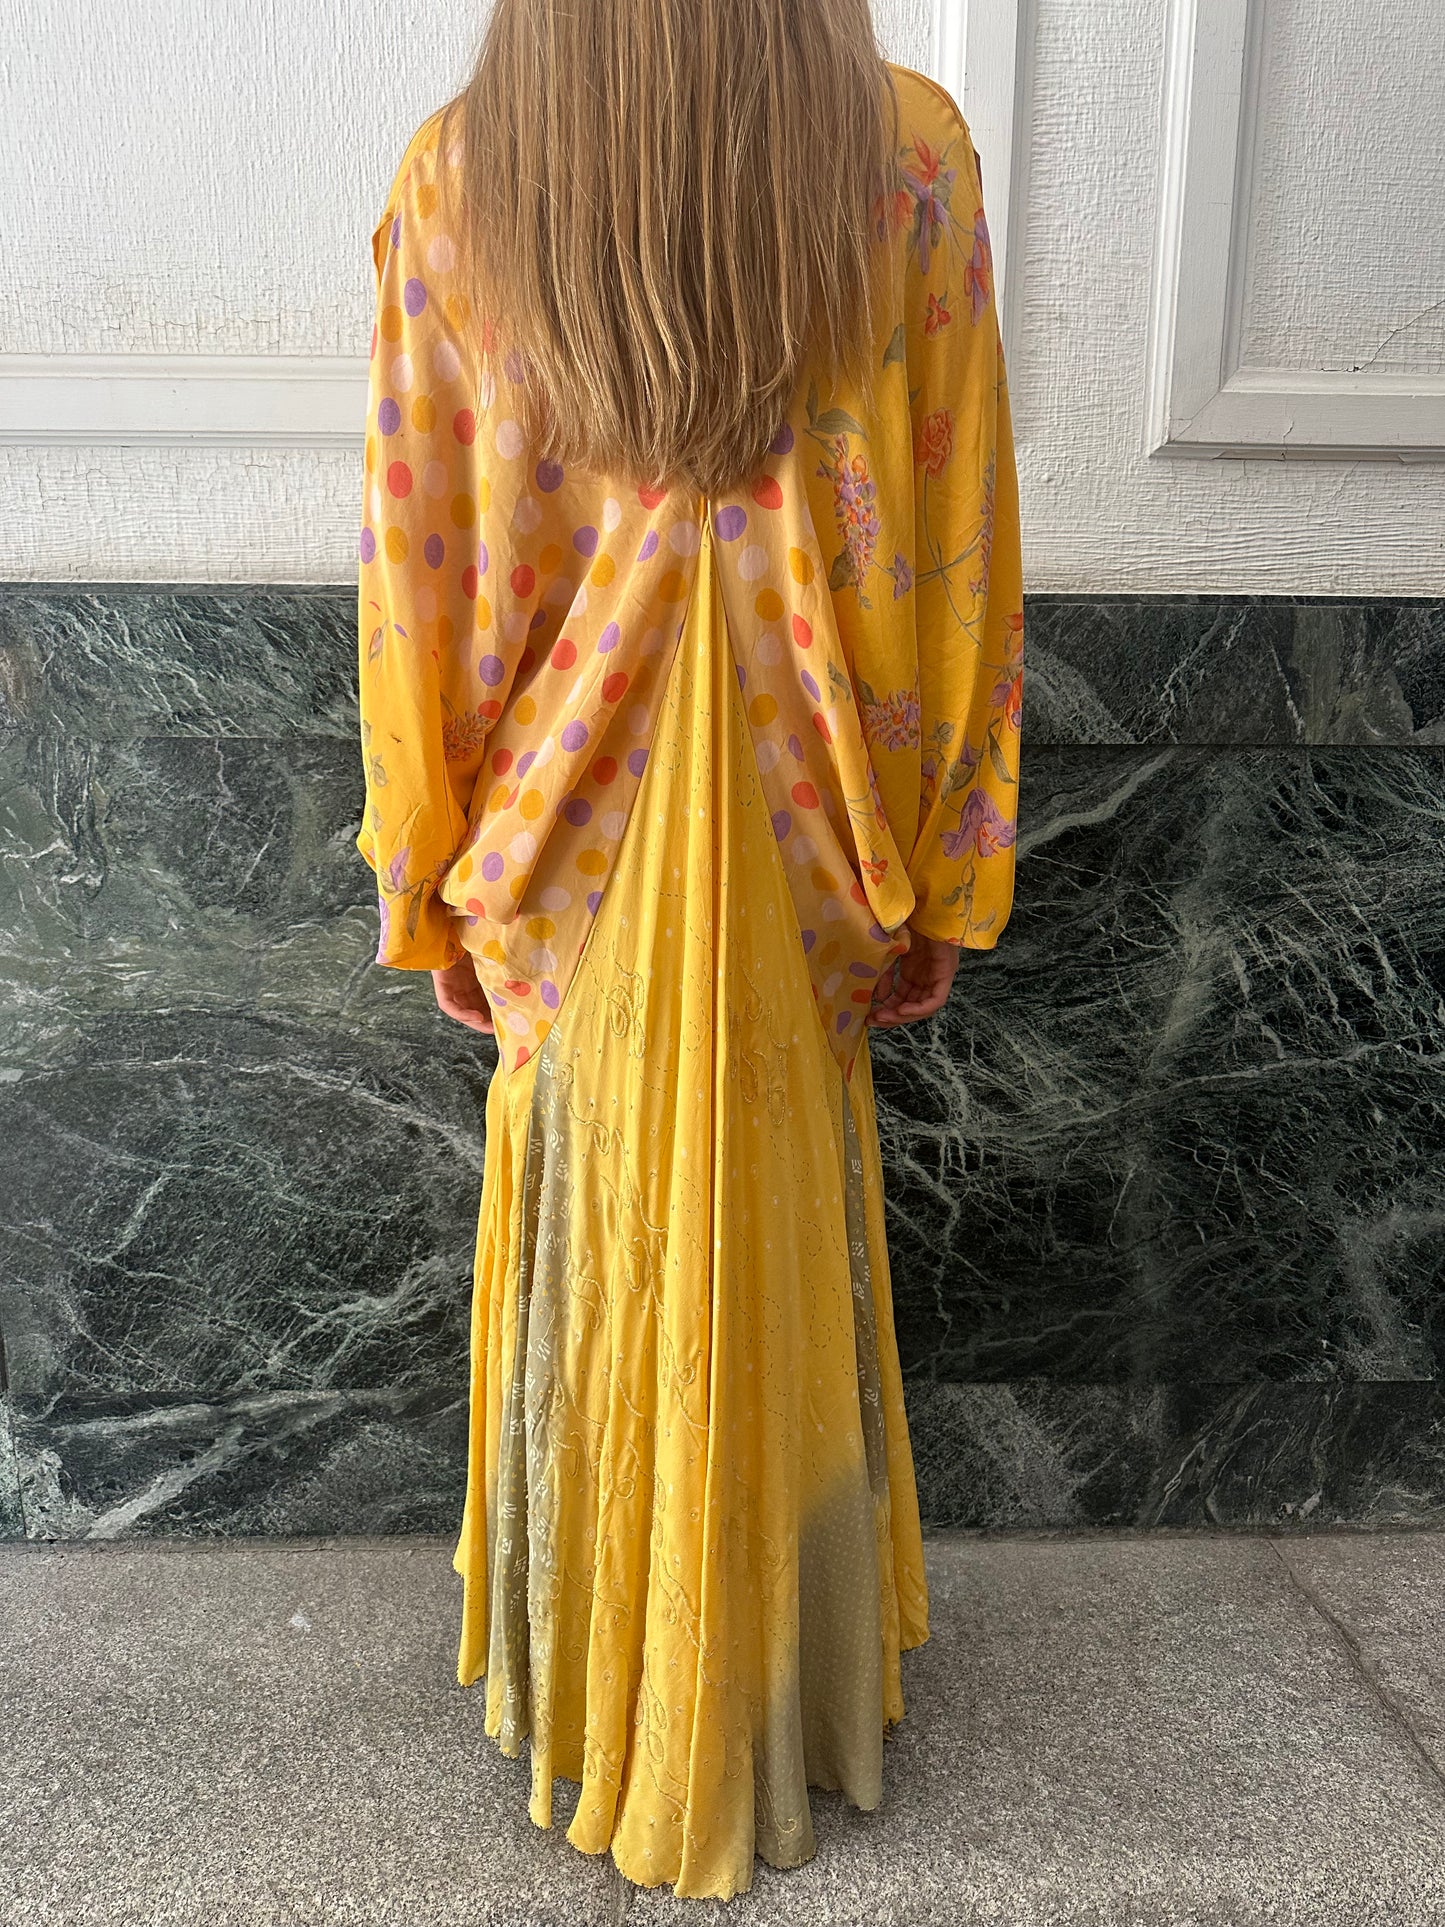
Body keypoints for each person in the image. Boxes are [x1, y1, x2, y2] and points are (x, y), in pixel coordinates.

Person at [354, 0, 1023, 1901]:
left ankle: (609, 1693)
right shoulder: (906, 154)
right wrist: (945, 858)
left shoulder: (463, 175)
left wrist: (427, 870)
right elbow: (955, 524)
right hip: (820, 795)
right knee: (769, 1224)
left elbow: (427, 557)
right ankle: (771, 1693)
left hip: (556, 810)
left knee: (606, 1233)